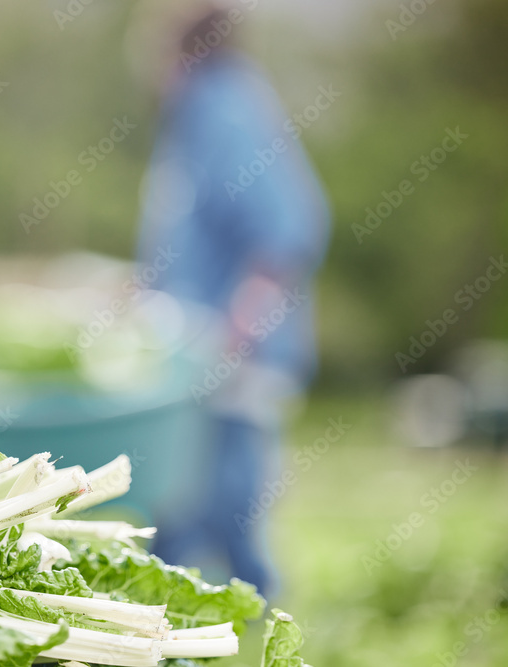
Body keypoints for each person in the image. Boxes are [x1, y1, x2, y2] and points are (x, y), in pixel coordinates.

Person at [136, 3, 331, 595]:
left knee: (225, 510)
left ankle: (256, 630)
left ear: (179, 51)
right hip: (194, 357)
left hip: (227, 357)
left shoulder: (227, 107)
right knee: (182, 512)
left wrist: (235, 333)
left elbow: (286, 229)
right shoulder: (199, 114)